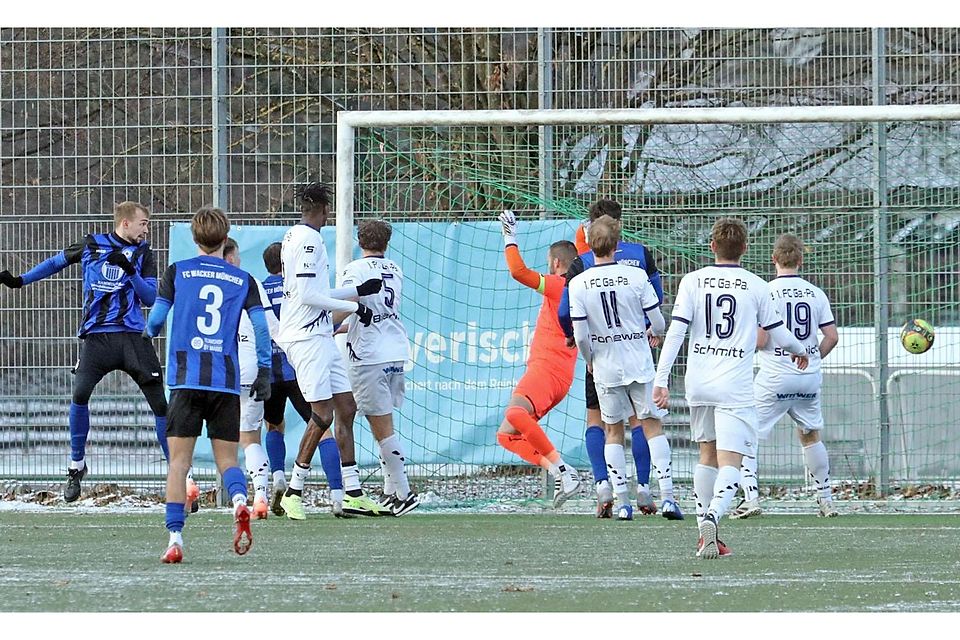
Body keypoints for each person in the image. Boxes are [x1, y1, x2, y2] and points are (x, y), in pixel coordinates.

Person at [652, 217, 809, 560]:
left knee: (706, 455)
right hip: (733, 387)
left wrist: (661, 380)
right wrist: (800, 350)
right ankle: (712, 517)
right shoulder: (756, 285)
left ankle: (703, 532)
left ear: (711, 247)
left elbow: (676, 333)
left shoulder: (692, 281)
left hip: (698, 383)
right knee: (731, 463)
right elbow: (779, 334)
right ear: (746, 249)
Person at [0, 201, 171, 503]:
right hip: (97, 338)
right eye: (144, 223)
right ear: (126, 223)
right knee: (80, 394)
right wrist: (20, 281)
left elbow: (149, 298)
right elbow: (55, 262)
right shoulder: (91, 244)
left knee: (160, 404)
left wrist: (130, 270)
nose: (147, 229)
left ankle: (178, 472)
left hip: (133, 337)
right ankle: (76, 466)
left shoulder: (144, 254)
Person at [143, 207, 273, 564]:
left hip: (186, 380)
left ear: (194, 237)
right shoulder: (242, 279)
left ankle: (175, 538)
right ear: (225, 236)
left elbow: (156, 318)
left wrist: (148, 333)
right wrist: (263, 370)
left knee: (179, 464)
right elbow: (261, 329)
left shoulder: (177, 272)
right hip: (225, 382)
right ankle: (239, 502)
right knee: (228, 460)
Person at [558, 199, 681, 520]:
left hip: (604, 364)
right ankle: (666, 495)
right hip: (638, 360)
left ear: (589, 239)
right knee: (650, 425)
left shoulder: (580, 279)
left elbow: (580, 333)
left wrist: (589, 358)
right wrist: (650, 332)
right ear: (617, 239)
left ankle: (621, 500)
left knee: (611, 429)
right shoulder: (636, 274)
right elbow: (659, 321)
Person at [274, 182, 387, 520]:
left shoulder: (295, 235)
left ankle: (352, 493)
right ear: (323, 210)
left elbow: (313, 289)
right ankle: (294, 492)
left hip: (319, 333)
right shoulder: (308, 241)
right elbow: (309, 296)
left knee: (346, 406)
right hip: (306, 338)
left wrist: (355, 291)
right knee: (322, 413)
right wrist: (354, 308)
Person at [730, 233, 840, 520]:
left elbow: (761, 339)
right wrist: (812, 358)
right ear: (800, 260)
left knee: (746, 435)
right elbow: (831, 337)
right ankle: (825, 499)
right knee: (810, 435)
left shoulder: (765, 291)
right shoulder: (815, 293)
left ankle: (751, 498)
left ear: (773, 259)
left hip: (774, 376)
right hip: (808, 377)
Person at [495, 210, 582, 507]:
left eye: (549, 261)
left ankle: (562, 470)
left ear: (556, 263)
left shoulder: (562, 285)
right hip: (558, 374)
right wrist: (585, 227)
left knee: (515, 415)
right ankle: (560, 471)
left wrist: (510, 236)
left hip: (548, 369)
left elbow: (519, 272)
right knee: (507, 435)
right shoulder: (580, 287)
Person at [336, 219, 418, 516]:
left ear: (359, 241)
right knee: (383, 424)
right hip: (395, 349)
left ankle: (406, 493)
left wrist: (331, 324)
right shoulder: (395, 268)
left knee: (382, 430)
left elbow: (347, 303)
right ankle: (392, 491)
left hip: (369, 354)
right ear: (386, 243)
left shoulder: (354, 270)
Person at [223, 238, 279, 520]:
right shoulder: (250, 282)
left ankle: (190, 488)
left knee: (219, 439)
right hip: (252, 368)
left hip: (219, 371)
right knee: (250, 438)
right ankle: (260, 497)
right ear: (231, 257)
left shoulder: (201, 279)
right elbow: (270, 328)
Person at [260, 241, 314, 516]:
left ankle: (278, 475)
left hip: (269, 369)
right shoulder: (297, 287)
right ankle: (341, 494)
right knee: (321, 425)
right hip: (298, 366)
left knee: (274, 425)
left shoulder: (258, 289)